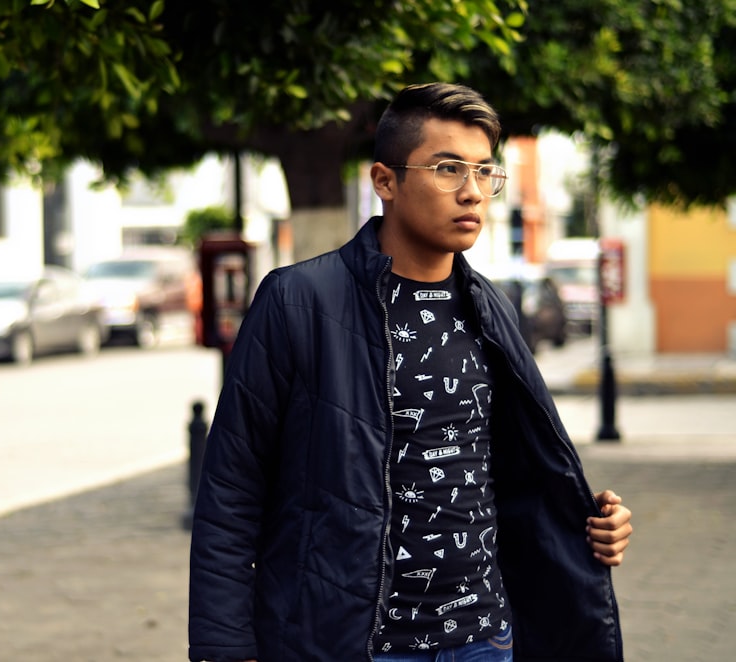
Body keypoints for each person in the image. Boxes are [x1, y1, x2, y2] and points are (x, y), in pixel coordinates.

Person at [187, 82, 632, 662]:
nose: (472, 192)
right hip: (352, 644)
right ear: (385, 181)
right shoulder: (297, 302)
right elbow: (230, 495)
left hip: (484, 640)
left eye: (484, 172)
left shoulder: (490, 306)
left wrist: (590, 521)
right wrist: (225, 648)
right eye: (448, 169)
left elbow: (514, 471)